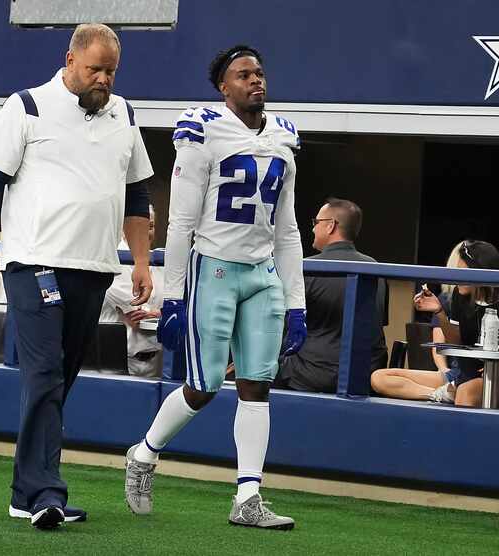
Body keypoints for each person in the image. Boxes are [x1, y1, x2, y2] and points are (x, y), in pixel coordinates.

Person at [0, 23, 154, 529]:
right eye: (94, 69)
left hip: (95, 267)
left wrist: (143, 261)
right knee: (42, 373)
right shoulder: (26, 105)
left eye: (110, 71)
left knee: (59, 380)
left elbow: (136, 197)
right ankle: (46, 493)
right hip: (34, 260)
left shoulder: (125, 114)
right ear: (70, 60)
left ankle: (26, 491)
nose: (103, 79)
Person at [124, 45, 305, 530]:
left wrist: (296, 302)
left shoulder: (284, 136)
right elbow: (181, 222)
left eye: (260, 73)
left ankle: (248, 497)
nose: (255, 80)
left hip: (262, 271)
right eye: (243, 74)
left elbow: (287, 230)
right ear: (223, 87)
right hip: (215, 269)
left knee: (257, 385)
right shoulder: (203, 128)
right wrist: (175, 296)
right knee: (203, 386)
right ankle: (143, 454)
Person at [372, 240, 499, 408]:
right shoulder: (460, 297)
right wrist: (439, 312)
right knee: (379, 378)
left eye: (462, 271)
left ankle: (450, 393)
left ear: (480, 270)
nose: (457, 277)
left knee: (466, 392)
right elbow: (456, 341)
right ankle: (439, 395)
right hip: (462, 373)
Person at [274, 198, 387, 393]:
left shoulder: (305, 268)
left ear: (330, 226)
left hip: (309, 375)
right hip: (365, 375)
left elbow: (282, 328)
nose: (312, 229)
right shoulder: (376, 269)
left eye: (315, 223)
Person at [101, 205, 164, 378]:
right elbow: (138, 317)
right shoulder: (112, 259)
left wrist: (160, 313)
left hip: (157, 362)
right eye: (140, 226)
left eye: (150, 226)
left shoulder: (161, 262)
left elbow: (179, 307)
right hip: (117, 363)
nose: (146, 232)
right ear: (123, 228)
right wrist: (163, 314)